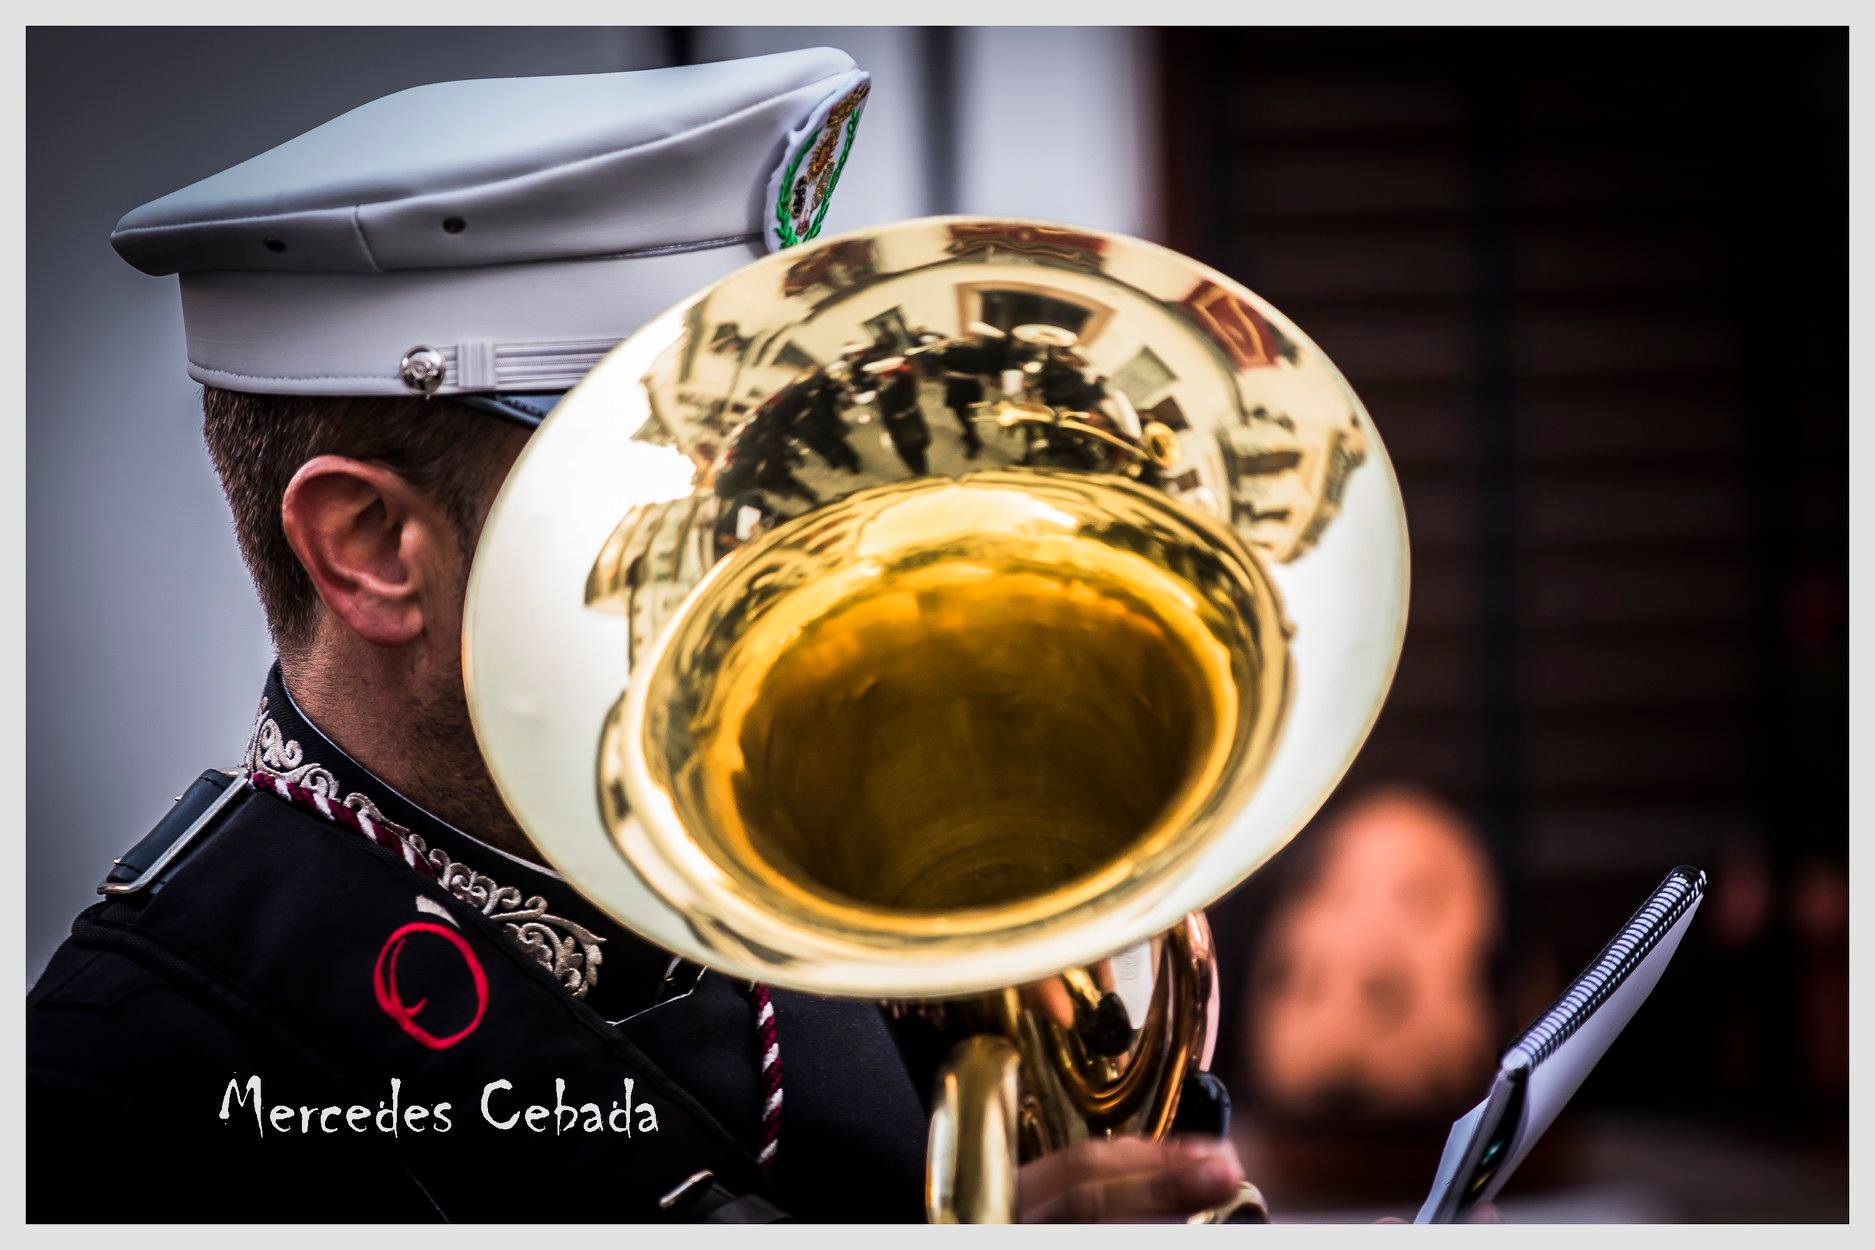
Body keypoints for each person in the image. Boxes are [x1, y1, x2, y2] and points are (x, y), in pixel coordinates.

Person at [26, 48, 1247, 1223]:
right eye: (691, 473)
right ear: (371, 545)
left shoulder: (862, 863)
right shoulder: (120, 1087)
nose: (790, 532)